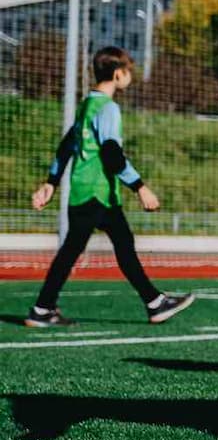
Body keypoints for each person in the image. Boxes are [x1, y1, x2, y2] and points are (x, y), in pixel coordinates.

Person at [26, 46, 194, 328]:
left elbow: (66, 146)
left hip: (87, 193)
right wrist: (140, 187)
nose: (130, 76)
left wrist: (51, 182)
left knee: (118, 245)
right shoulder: (108, 108)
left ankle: (154, 302)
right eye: (128, 71)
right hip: (97, 194)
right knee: (86, 249)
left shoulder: (86, 105)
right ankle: (42, 309)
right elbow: (111, 154)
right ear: (118, 74)